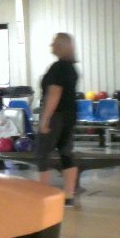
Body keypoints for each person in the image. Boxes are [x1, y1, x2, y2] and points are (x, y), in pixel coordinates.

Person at [35, 33, 81, 207]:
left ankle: (42, 194)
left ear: (60, 45)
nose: (50, 45)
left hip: (57, 116)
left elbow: (54, 94)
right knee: (65, 153)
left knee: (41, 153)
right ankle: (68, 196)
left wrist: (45, 119)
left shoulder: (57, 67)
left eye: (53, 42)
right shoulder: (71, 68)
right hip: (70, 115)